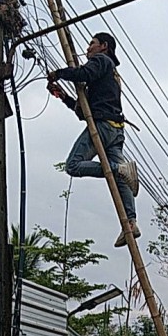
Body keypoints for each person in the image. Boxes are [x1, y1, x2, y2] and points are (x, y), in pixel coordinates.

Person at [47, 32, 140, 248]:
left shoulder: (101, 61)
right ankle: (131, 222)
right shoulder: (110, 72)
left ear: (104, 46)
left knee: (73, 166)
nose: (88, 48)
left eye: (92, 43)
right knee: (122, 179)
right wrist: (63, 96)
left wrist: (59, 73)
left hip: (104, 126)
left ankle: (118, 168)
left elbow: (83, 73)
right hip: (116, 129)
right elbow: (83, 111)